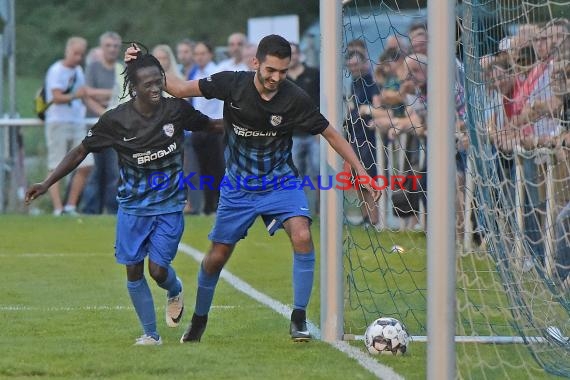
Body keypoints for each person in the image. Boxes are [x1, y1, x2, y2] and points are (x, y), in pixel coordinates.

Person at [127, 34, 380, 343]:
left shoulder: (295, 98)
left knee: (302, 235)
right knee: (217, 257)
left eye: (283, 71)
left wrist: (362, 172)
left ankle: (298, 318)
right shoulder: (231, 84)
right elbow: (179, 89)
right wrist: (145, 60)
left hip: (280, 182)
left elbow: (331, 134)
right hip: (238, 187)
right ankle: (199, 320)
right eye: (270, 70)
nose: (276, 77)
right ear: (256, 62)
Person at [25, 50, 222, 345]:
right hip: (132, 206)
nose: (156, 88)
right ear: (133, 87)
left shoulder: (176, 110)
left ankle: (174, 287)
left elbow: (211, 125)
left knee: (157, 270)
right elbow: (81, 150)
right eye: (148, 84)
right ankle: (151, 335)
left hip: (169, 205)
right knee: (133, 269)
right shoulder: (116, 120)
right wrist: (47, 181)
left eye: (159, 81)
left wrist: (248, 120)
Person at [44, 36, 93, 216]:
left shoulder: (79, 71)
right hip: (58, 122)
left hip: (76, 121)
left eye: (81, 54)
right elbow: (56, 97)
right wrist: (75, 96)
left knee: (86, 165)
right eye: (75, 53)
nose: (78, 58)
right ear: (67, 51)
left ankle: (71, 205)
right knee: (56, 165)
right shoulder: (56, 70)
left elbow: (84, 96)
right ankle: (58, 208)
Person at [81, 31, 122, 215]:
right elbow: (86, 94)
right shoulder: (93, 67)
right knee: (94, 171)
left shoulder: (122, 69)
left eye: (115, 46)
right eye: (108, 46)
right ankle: (91, 209)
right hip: (95, 126)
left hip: (116, 129)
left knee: (114, 172)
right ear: (101, 47)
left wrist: (99, 94)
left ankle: (112, 209)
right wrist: (105, 111)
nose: (112, 49)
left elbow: (122, 95)